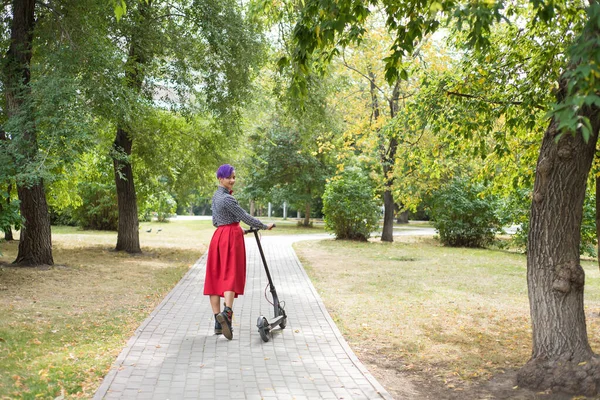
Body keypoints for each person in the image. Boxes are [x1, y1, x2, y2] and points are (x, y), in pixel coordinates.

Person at [204, 164, 274, 340]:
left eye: (234, 177)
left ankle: (217, 323)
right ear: (220, 178)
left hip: (218, 236)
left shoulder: (216, 197)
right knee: (230, 275)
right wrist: (264, 226)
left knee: (215, 277)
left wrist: (237, 228)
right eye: (229, 177)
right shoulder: (228, 199)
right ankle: (227, 314)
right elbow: (245, 216)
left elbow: (216, 221)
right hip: (230, 238)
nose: (232, 180)